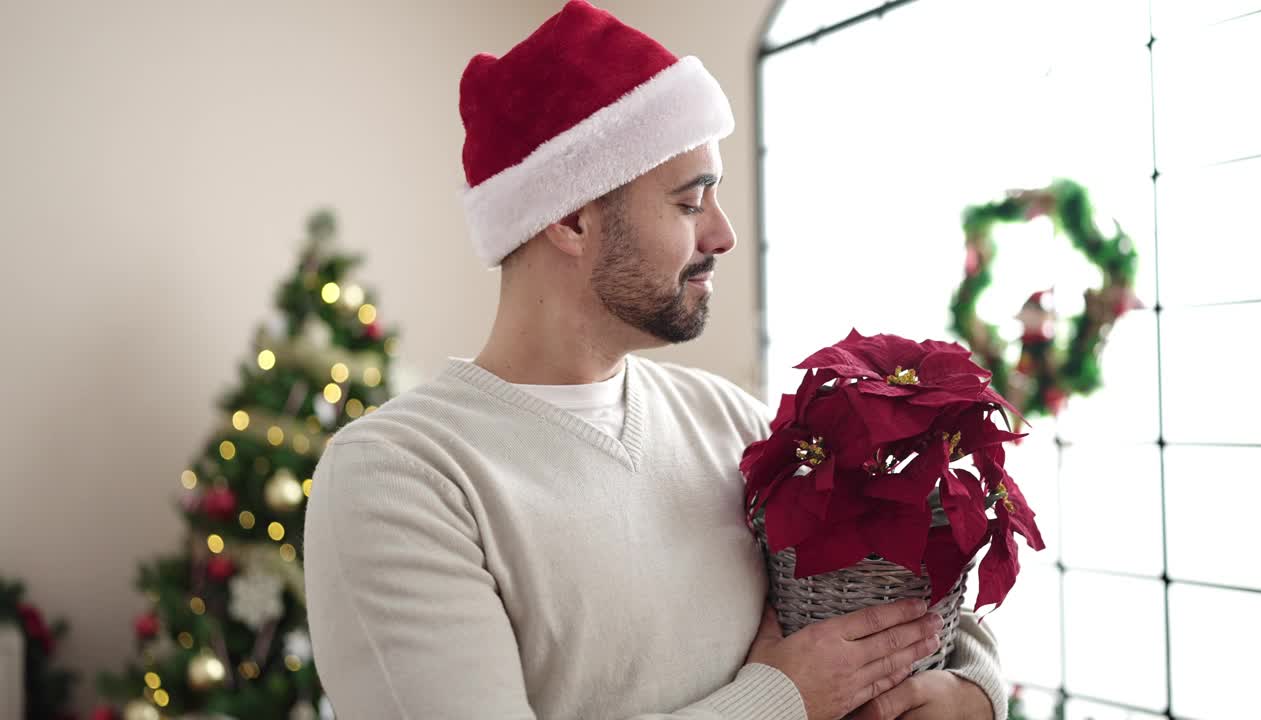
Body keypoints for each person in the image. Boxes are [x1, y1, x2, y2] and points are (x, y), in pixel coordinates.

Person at [302, 2, 1006, 718]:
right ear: (572, 217)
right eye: (689, 201)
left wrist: (972, 692)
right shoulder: (400, 477)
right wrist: (779, 701)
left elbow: (884, 592)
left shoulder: (729, 421)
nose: (724, 233)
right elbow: (808, 680)